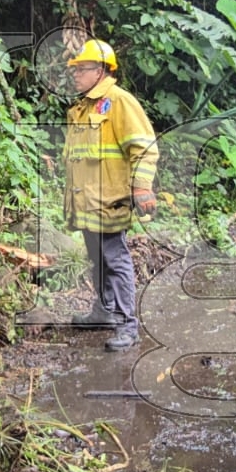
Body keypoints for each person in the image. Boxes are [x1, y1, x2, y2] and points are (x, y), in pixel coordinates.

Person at [61, 39, 159, 351]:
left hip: (109, 200)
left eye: (83, 68)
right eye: (75, 69)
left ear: (102, 71)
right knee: (97, 259)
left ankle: (129, 326)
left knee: (115, 259)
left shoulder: (119, 102)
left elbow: (144, 147)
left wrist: (141, 188)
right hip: (87, 203)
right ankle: (103, 311)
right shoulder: (81, 108)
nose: (76, 74)